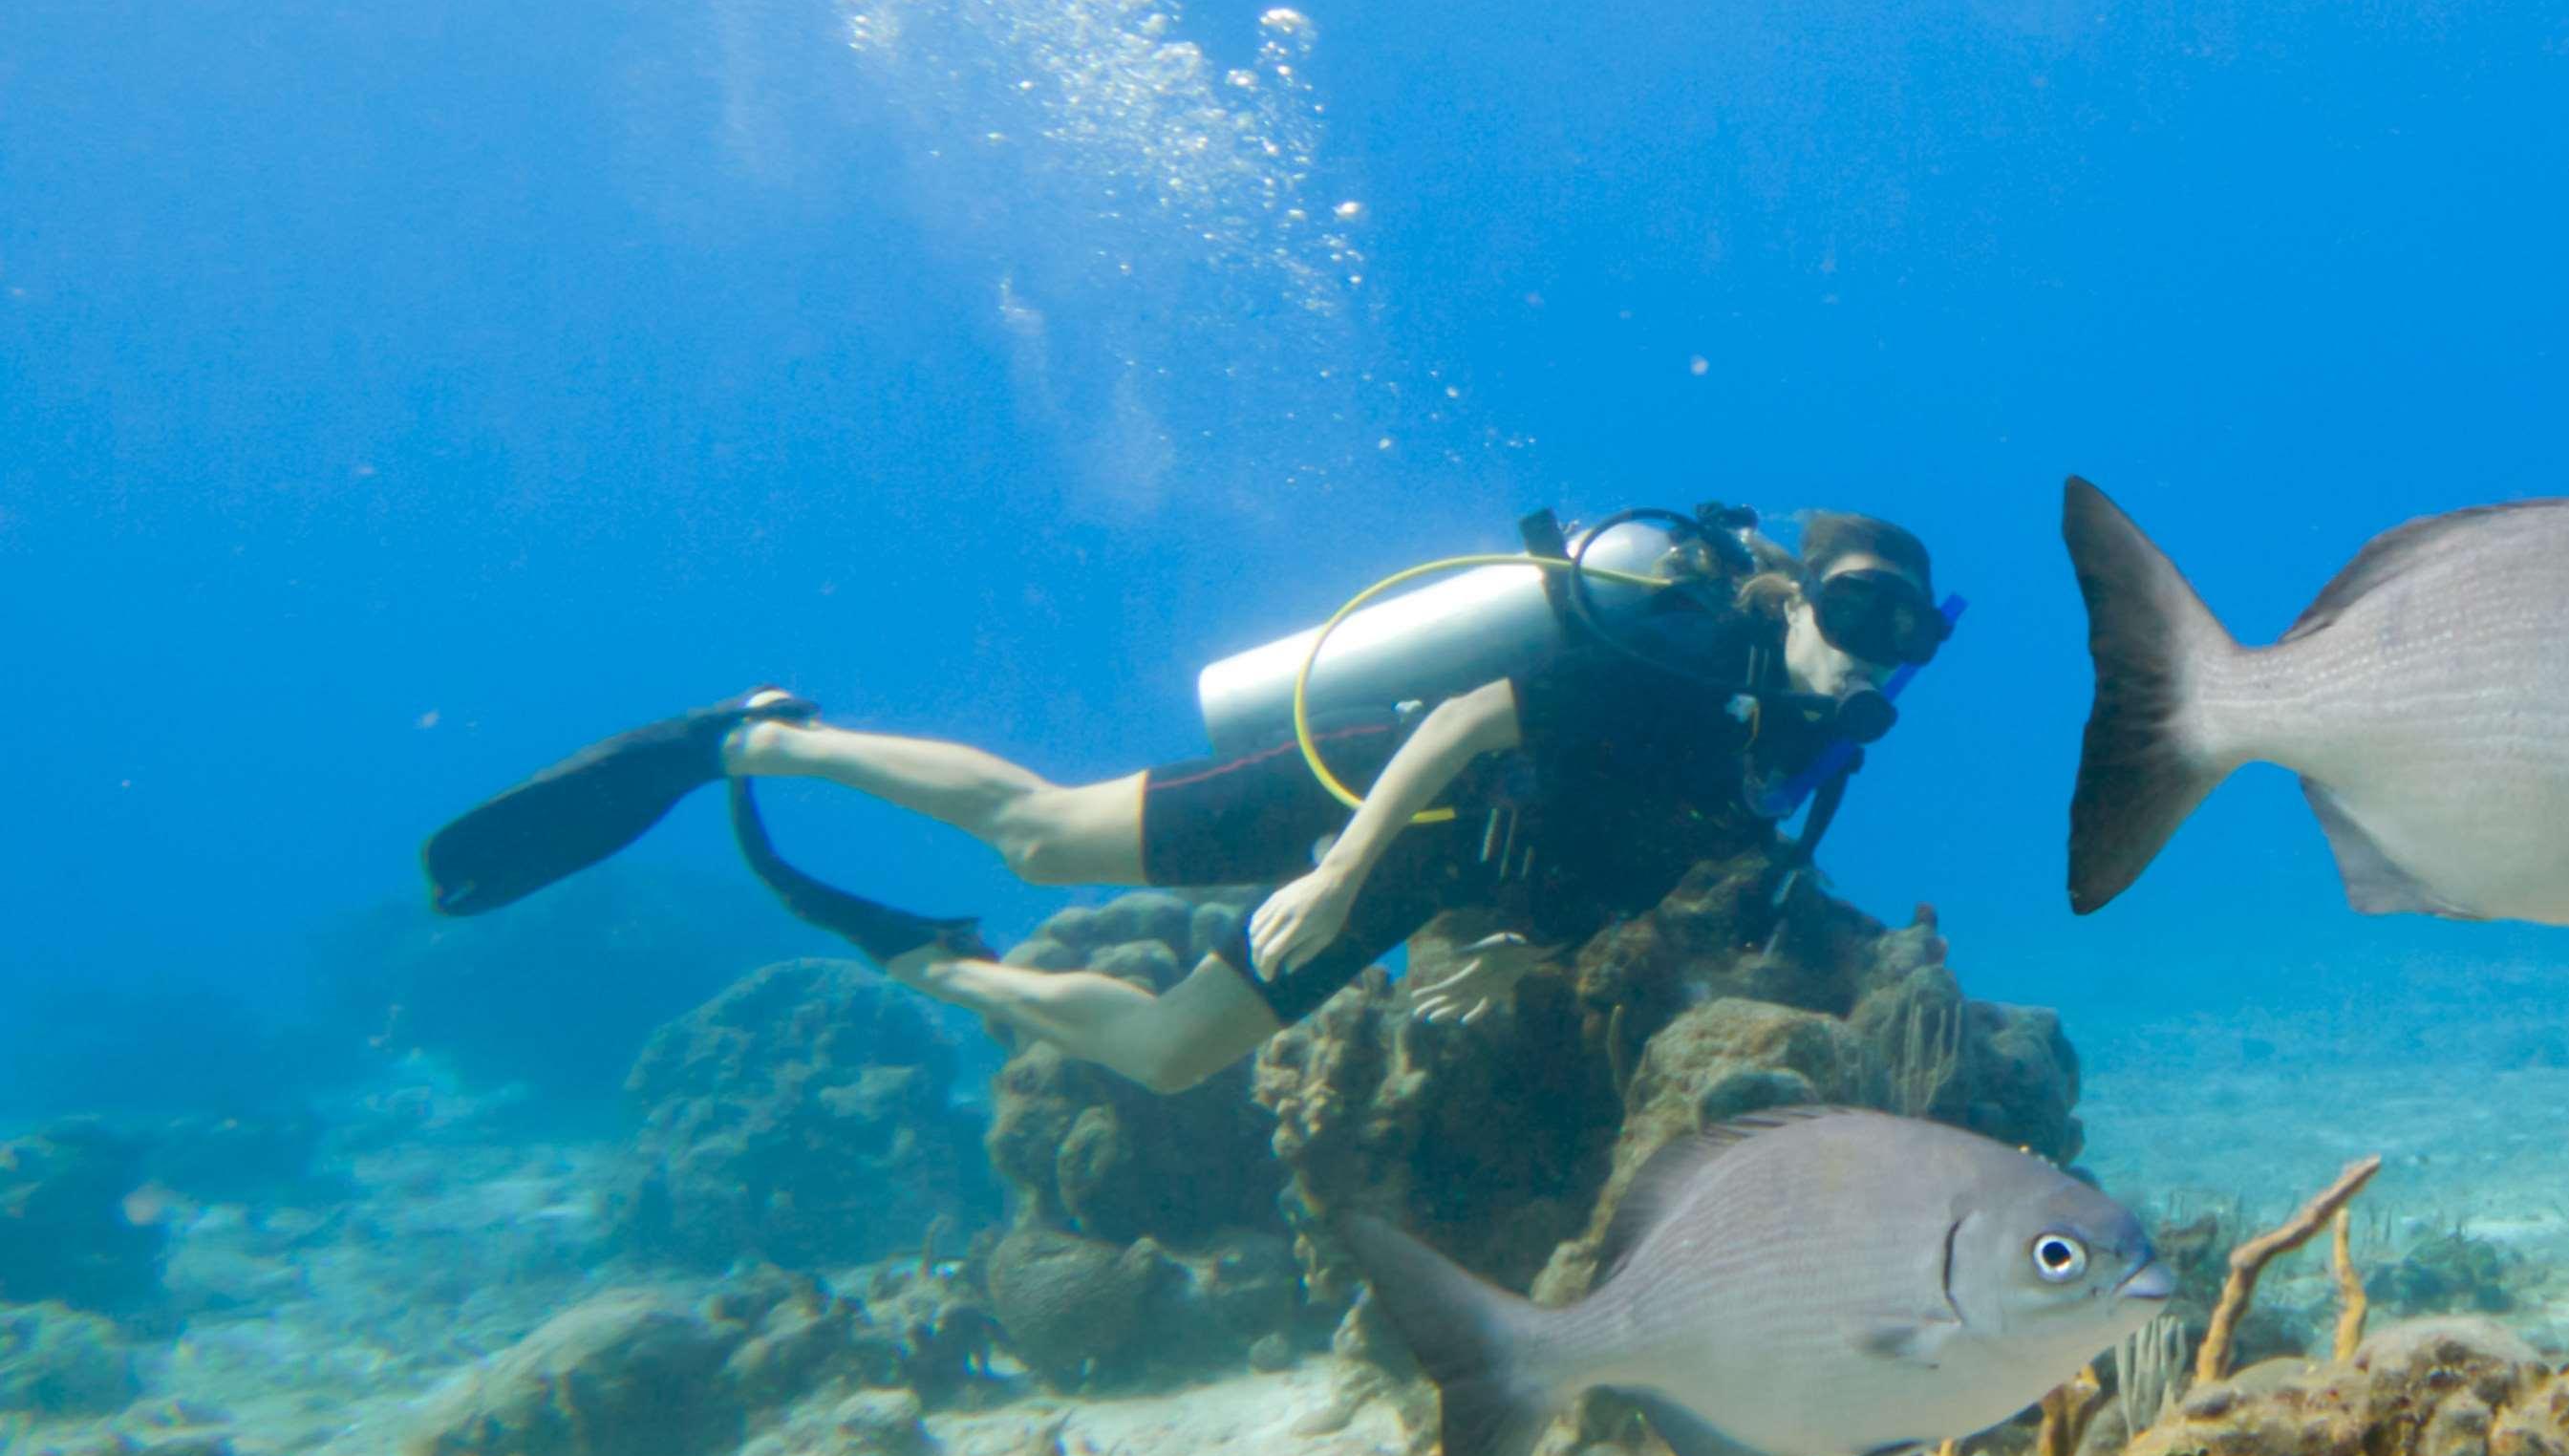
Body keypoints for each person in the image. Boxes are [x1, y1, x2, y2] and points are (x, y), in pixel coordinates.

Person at [419, 511, 1952, 1094]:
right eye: (1857, 616)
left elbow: (1615, 847)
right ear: (1799, 595)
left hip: (1426, 882)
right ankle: (752, 741)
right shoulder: (1690, 659)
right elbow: (1484, 722)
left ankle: (931, 960)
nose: (1870, 656)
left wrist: (1473, 936)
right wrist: (1348, 876)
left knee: (1161, 1055)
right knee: (1044, 836)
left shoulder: (1805, 747)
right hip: (1366, 792)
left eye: (1907, 639)